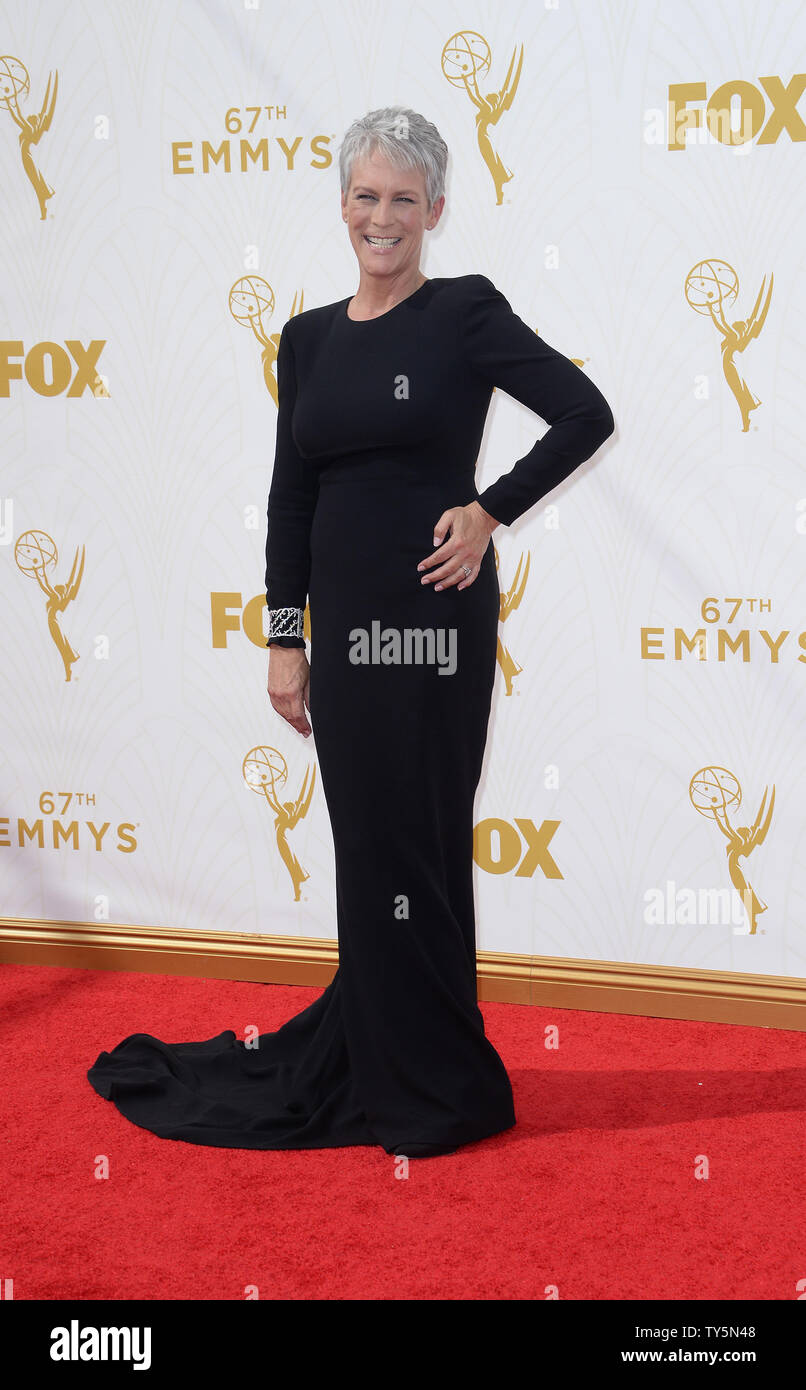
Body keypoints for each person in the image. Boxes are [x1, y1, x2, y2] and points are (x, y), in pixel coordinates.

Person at [87, 106, 615, 1160]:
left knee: (412, 843)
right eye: (365, 197)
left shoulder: (463, 313)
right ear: (341, 207)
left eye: (403, 201)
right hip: (344, 632)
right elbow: (290, 496)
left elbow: (583, 410)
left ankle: (431, 1084)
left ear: (436, 212)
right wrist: (286, 635)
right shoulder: (307, 337)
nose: (382, 218)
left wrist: (486, 509)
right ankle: (391, 1057)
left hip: (428, 623)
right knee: (368, 846)